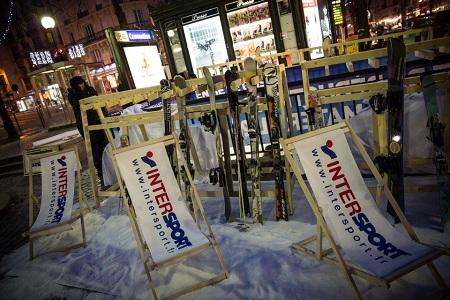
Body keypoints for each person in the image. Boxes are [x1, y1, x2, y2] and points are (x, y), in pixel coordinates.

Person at [68, 76, 108, 187]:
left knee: (105, 147)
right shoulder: (73, 95)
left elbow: (99, 103)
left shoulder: (90, 90)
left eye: (82, 83)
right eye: (78, 84)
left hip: (98, 121)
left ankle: (110, 172)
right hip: (87, 124)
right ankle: (102, 176)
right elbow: (78, 105)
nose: (81, 85)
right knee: (95, 151)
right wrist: (79, 92)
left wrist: (105, 117)